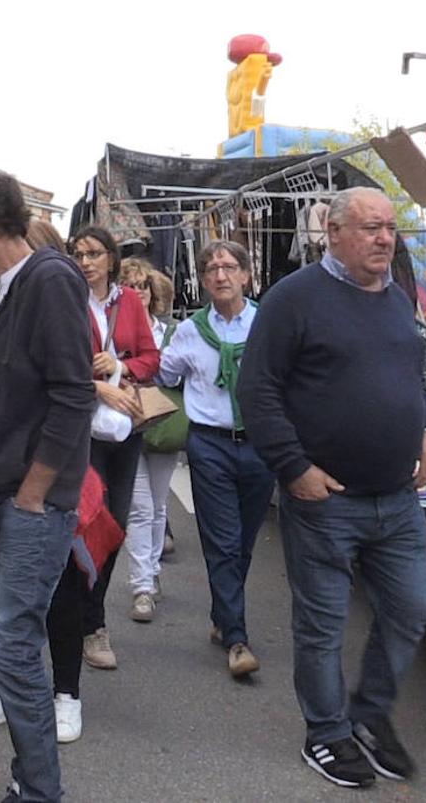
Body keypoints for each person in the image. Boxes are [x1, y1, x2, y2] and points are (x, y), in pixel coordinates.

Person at [238, 187, 426, 789]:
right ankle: (326, 734)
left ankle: (370, 716)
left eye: (389, 228)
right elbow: (258, 389)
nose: (384, 238)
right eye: (371, 227)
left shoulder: (397, 300)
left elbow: (413, 375)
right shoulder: (294, 299)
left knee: (412, 607)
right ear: (333, 232)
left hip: (397, 499)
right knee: (322, 625)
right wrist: (293, 467)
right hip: (326, 501)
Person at [0, 163, 93, 803]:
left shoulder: (49, 280)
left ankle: (39, 790)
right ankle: (31, 779)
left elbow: (73, 396)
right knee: (11, 650)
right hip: (0, 501)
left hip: (32, 507)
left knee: (12, 652)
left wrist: (33, 493)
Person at [156, 240, 275, 679]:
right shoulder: (189, 330)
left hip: (261, 444)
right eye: (211, 269)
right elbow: (166, 373)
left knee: (243, 541)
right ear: (203, 281)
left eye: (229, 267)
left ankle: (223, 614)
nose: (220, 275)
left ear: (246, 275)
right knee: (222, 540)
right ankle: (237, 639)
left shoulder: (267, 324)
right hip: (209, 445)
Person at [67, 225, 159, 671]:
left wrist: (120, 365)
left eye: (93, 254)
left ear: (111, 259)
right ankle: (89, 624)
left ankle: (88, 612)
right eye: (78, 254)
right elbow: (54, 364)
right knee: (86, 524)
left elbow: (151, 358)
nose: (85, 262)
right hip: (79, 430)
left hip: (124, 430)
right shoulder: (65, 299)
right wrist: (95, 383)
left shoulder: (129, 303)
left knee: (116, 525)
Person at [120, 260, 179, 623]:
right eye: (130, 284)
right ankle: (142, 585)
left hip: (160, 424)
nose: (138, 291)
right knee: (139, 508)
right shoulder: (113, 328)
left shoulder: (170, 331)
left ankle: (151, 570)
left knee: (157, 506)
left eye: (143, 285)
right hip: (123, 424)